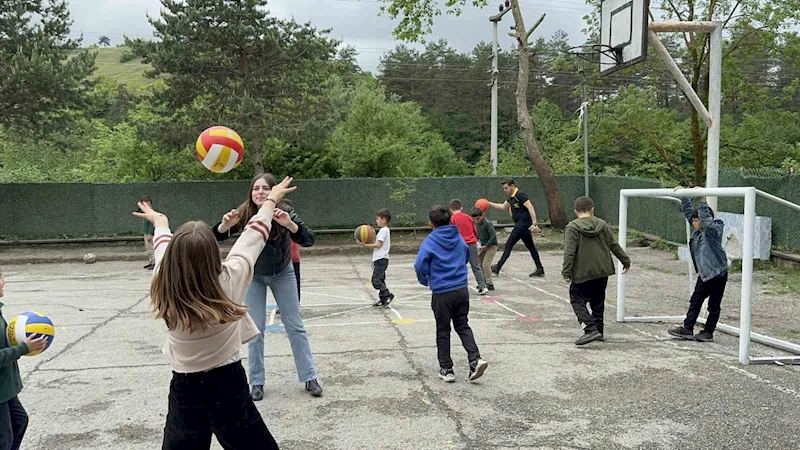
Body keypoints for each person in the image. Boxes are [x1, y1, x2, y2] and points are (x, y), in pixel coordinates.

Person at [133, 176, 296, 450]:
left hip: (185, 387)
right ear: (213, 254)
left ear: (173, 256)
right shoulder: (231, 278)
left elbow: (163, 244)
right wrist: (271, 199)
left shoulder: (163, 279)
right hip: (227, 384)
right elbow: (254, 234)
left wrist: (159, 221)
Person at [213, 174, 322, 401]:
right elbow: (214, 237)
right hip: (254, 275)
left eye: (265, 188)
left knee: (295, 325)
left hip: (283, 272)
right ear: (250, 193)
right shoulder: (243, 213)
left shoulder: (286, 210)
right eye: (256, 189)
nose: (260, 192)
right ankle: (257, 382)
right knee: (256, 329)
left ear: (274, 192)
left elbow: (309, 239)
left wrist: (289, 225)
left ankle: (309, 377)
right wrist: (224, 226)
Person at [414, 205, 489, 383]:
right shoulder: (458, 238)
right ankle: (475, 359)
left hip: (442, 292)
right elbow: (465, 256)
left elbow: (419, 265)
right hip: (461, 289)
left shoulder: (430, 242)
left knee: (443, 329)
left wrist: (425, 280)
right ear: (450, 220)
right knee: (463, 325)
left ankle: (446, 368)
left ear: (431, 224)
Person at [562, 197, 631, 345]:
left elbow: (569, 252)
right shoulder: (602, 224)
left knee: (577, 298)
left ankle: (589, 327)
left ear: (575, 212)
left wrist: (566, 272)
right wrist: (625, 260)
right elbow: (613, 245)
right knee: (598, 300)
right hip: (602, 270)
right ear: (593, 210)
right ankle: (599, 330)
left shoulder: (572, 228)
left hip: (583, 271)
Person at [668, 186, 729, 342]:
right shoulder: (697, 231)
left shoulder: (714, 230)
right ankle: (687, 328)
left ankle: (708, 332)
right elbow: (689, 213)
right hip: (704, 274)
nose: (694, 223)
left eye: (697, 220)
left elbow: (707, 222)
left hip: (718, 273)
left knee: (713, 305)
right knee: (695, 301)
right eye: (694, 221)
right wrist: (684, 194)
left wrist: (702, 199)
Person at [0, 269, 49, 450]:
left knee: (19, 421)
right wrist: (23, 348)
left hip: (5, 388)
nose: (4, 282)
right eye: (0, 278)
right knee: (3, 440)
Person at [487, 178, 545, 278]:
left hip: (522, 225)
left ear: (512, 186)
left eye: (506, 188)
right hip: (521, 225)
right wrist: (488, 203)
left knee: (509, 244)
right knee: (531, 247)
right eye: (504, 188)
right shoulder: (511, 198)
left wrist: (534, 223)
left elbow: (530, 207)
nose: (505, 190)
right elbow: (502, 207)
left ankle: (497, 268)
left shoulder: (520, 195)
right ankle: (540, 269)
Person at [449, 200, 488, 295]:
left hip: (459, 245)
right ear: (461, 208)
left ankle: (458, 286)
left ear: (450, 209)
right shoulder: (468, 217)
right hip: (471, 243)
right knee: (476, 265)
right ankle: (483, 286)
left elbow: (451, 233)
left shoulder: (452, 219)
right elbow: (475, 231)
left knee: (459, 266)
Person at [357, 209, 395, 307]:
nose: (376, 221)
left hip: (381, 259)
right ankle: (383, 300)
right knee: (381, 279)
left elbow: (378, 245)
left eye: (377, 219)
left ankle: (388, 294)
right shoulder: (384, 231)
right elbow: (376, 241)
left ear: (384, 220)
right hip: (381, 259)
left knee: (376, 281)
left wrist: (365, 245)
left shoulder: (384, 230)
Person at [471, 207, 498, 291]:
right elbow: (477, 235)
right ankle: (483, 282)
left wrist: (486, 246)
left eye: (478, 218)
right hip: (482, 246)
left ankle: (490, 283)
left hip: (491, 246)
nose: (477, 220)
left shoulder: (487, 223)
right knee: (479, 264)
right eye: (475, 219)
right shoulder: (476, 224)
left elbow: (493, 236)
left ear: (482, 215)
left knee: (486, 265)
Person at [141, 196, 156, 270]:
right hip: (146, 233)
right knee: (148, 248)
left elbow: (151, 224)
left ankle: (154, 262)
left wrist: (150, 234)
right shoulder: (145, 213)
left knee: (152, 249)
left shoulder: (151, 213)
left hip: (150, 234)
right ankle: (151, 262)